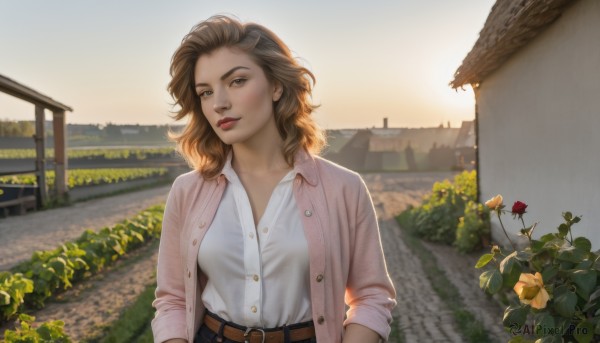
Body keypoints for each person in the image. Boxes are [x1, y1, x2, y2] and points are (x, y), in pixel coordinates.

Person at [152, 15, 396, 343]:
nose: (219, 103)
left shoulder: (344, 189)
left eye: (237, 81)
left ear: (277, 85)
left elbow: (371, 296)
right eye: (206, 92)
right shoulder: (187, 192)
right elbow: (173, 299)